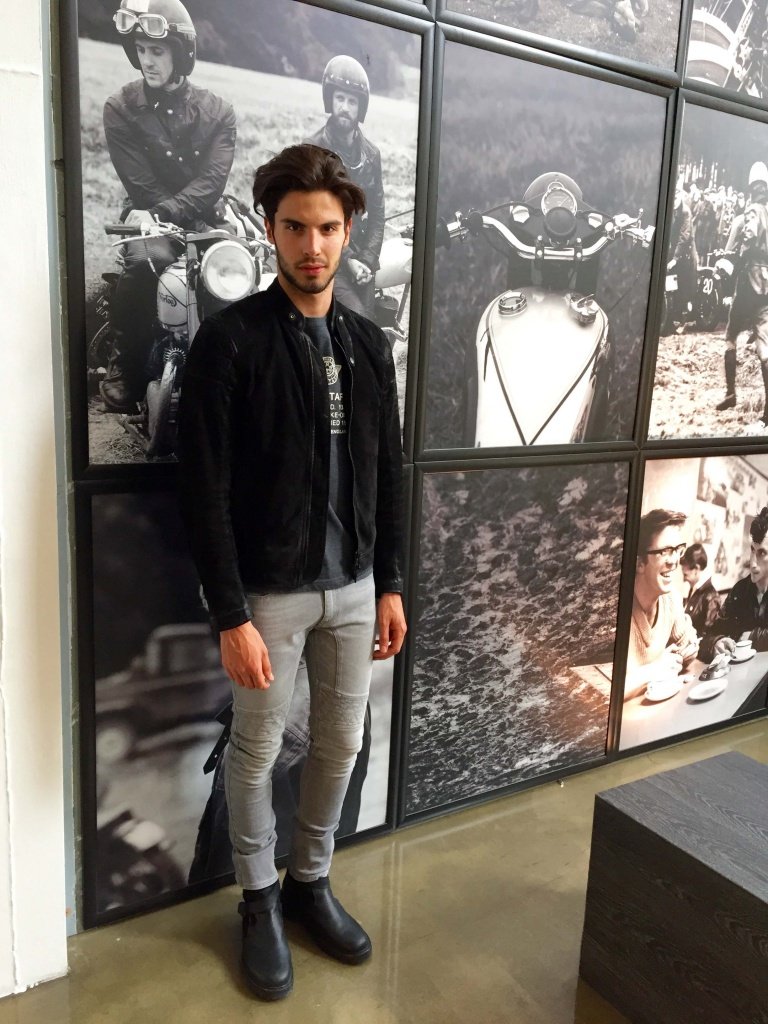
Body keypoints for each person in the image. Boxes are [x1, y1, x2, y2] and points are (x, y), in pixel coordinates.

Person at [177, 144, 406, 1001]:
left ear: (348, 233)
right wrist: (230, 614)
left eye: (328, 228)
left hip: (354, 589)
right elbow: (202, 489)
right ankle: (258, 899)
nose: (313, 246)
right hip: (269, 594)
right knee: (257, 747)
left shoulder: (368, 344)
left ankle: (310, 882)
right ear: (271, 230)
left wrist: (390, 582)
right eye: (296, 227)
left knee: (341, 742)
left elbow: (388, 470)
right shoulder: (229, 341)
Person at [100, 0, 237, 411]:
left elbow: (212, 181)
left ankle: (231, 371)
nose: (147, 60)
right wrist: (158, 216)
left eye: (157, 51)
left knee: (235, 271)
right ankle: (126, 362)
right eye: (141, 50)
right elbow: (141, 183)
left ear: (181, 52)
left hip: (202, 214)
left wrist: (169, 212)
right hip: (147, 215)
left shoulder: (219, 112)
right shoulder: (120, 108)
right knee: (149, 262)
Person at [305, 55, 385, 318]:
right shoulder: (312, 150)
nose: (345, 107)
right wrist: (349, 259)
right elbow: (314, 217)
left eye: (352, 101)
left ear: (361, 108)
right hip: (323, 258)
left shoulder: (371, 155)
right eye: (340, 98)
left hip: (361, 261)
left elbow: (378, 214)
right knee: (356, 319)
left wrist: (367, 260)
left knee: (369, 326)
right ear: (330, 100)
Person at [625, 509, 699, 700]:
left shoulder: (671, 597)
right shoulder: (615, 610)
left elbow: (688, 643)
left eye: (677, 550)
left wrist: (686, 649)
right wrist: (655, 669)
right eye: (664, 551)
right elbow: (603, 690)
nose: (674, 561)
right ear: (639, 563)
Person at [715, 162, 768, 423]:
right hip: (766, 283)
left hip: (748, 282)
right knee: (765, 346)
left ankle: (731, 393)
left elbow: (749, 236)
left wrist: (734, 256)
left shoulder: (752, 210)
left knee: (730, 335)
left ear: (751, 187)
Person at [699, 506, 768, 660]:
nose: (752, 563)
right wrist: (716, 643)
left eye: (762, 553)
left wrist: (753, 637)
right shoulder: (740, 590)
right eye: (752, 550)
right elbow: (710, 634)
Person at [681, 543, 721, 636]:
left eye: (685, 575)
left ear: (696, 569)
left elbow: (709, 635)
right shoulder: (693, 591)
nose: (684, 579)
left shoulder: (711, 597)